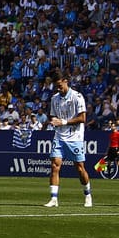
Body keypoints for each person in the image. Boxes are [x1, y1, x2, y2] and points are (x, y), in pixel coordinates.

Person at [43, 74, 92, 208]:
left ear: (66, 82)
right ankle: (54, 198)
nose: (58, 88)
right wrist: (53, 121)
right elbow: (53, 115)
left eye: (59, 85)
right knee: (54, 166)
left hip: (75, 137)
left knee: (80, 168)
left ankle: (87, 194)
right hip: (59, 136)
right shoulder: (54, 99)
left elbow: (82, 118)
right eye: (56, 86)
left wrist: (63, 121)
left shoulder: (77, 97)